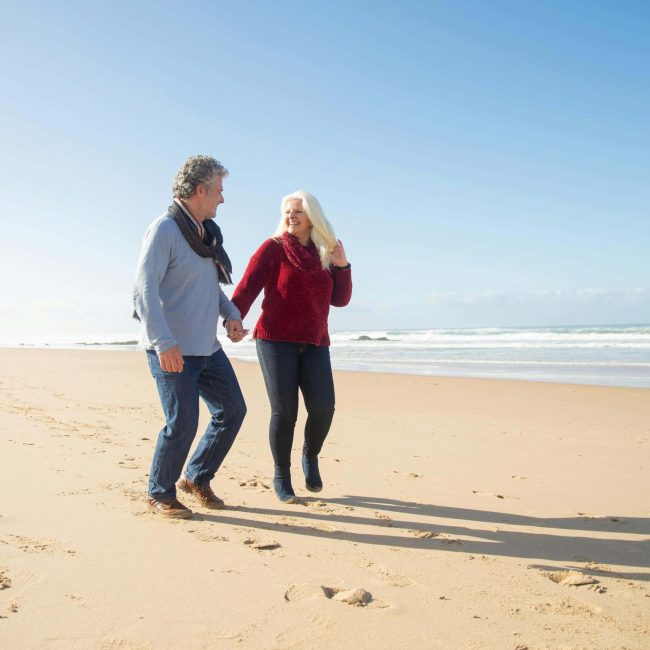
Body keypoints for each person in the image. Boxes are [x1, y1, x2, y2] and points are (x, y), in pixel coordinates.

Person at [133, 155, 247, 519]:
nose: (222, 200)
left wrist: (231, 315)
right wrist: (164, 342)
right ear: (201, 190)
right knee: (182, 422)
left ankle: (196, 477)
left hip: (206, 347)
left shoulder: (206, 236)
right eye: (219, 191)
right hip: (172, 348)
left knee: (232, 410)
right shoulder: (165, 229)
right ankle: (160, 492)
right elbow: (144, 289)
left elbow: (210, 289)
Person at [231, 190, 352, 503]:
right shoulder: (272, 249)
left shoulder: (325, 251)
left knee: (324, 408)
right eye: (287, 211)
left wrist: (342, 266)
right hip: (274, 340)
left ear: (312, 216)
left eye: (297, 211)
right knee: (285, 412)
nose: (291, 216)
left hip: (314, 342)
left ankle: (310, 457)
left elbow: (340, 300)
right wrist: (233, 320)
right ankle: (281, 475)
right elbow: (247, 288)